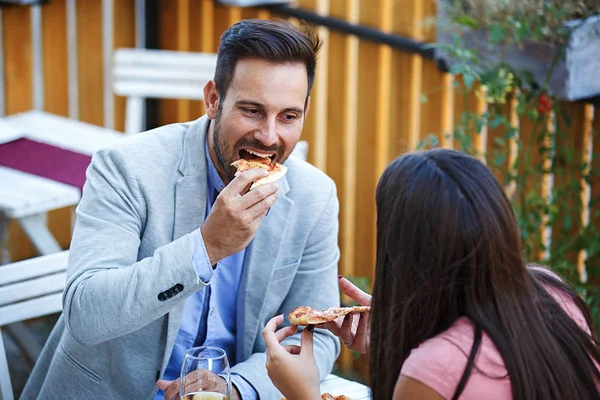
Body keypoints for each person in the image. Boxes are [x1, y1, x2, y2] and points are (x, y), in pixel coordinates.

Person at [21, 19, 341, 400]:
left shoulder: (314, 196)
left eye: (288, 116)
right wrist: (206, 248)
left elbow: (316, 338)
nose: (269, 137)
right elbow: (85, 314)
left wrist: (238, 387)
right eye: (252, 111)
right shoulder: (126, 167)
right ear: (212, 100)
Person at [263, 148, 600, 400]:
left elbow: (447, 368)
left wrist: (303, 395)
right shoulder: (555, 292)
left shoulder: (435, 368)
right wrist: (396, 339)